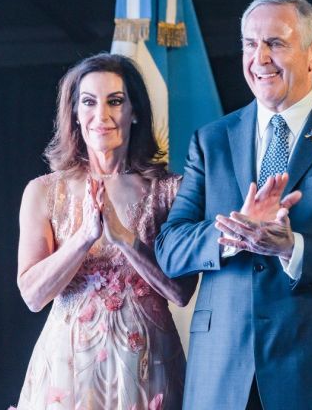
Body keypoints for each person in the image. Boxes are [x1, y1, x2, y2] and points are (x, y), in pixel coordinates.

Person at [155, 0, 312, 410]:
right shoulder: (211, 140)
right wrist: (232, 233)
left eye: (276, 43)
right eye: (250, 44)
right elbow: (170, 248)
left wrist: (292, 246)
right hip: (224, 376)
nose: (260, 58)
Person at [15, 53, 197, 409]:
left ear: (135, 111)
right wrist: (84, 237)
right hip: (68, 369)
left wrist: (123, 237)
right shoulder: (43, 191)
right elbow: (33, 296)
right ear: (75, 113)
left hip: (147, 365)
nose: (102, 116)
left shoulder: (172, 190)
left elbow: (180, 292)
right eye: (88, 102)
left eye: (115, 101)